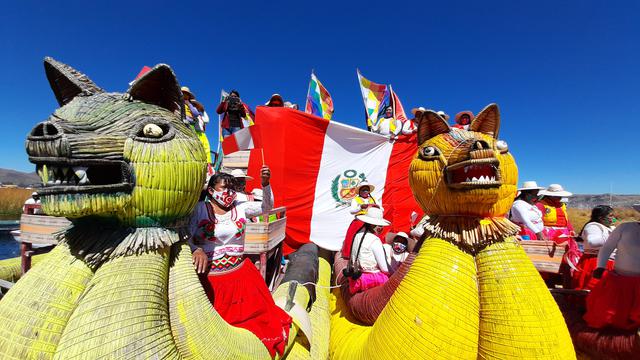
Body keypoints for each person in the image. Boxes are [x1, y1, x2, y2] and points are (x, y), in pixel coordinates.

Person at [189, 167, 292, 357]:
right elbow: (185, 235)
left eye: (232, 189)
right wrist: (196, 249)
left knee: (255, 322)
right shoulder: (199, 210)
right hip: (211, 280)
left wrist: (266, 185)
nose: (229, 193)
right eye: (224, 188)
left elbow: (266, 208)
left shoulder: (241, 207)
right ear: (211, 191)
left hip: (241, 275)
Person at [583, 204, 640, 330]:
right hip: (620, 281)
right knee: (613, 314)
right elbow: (607, 247)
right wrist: (601, 266)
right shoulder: (626, 228)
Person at [348, 206, 391, 294]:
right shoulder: (374, 240)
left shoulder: (358, 234)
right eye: (380, 225)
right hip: (371, 279)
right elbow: (385, 269)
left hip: (356, 277)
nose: (381, 228)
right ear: (373, 225)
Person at [572, 205, 616, 290]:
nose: (613, 218)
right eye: (610, 216)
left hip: (607, 262)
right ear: (601, 217)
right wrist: (616, 237)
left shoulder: (609, 228)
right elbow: (592, 242)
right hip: (595, 263)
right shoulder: (593, 227)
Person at [341, 181, 381, 259]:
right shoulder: (356, 199)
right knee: (352, 236)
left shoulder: (374, 199)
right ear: (360, 191)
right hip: (360, 220)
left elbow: (381, 208)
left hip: (372, 221)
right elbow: (352, 211)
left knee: (377, 235)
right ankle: (349, 254)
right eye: (363, 190)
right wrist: (360, 208)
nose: (365, 191)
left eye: (367, 190)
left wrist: (376, 207)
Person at [181, 87, 212, 164]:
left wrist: (190, 105)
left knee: (205, 147)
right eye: (183, 93)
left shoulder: (193, 110)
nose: (184, 95)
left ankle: (207, 163)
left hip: (195, 129)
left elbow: (197, 114)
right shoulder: (178, 104)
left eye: (186, 94)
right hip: (184, 125)